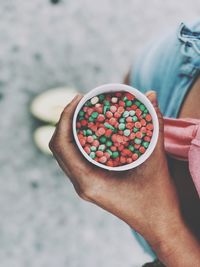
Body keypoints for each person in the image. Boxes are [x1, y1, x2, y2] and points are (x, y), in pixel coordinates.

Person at [49, 20, 200, 266]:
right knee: (138, 79)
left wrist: (168, 233)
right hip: (191, 57)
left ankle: (73, 125)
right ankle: (74, 119)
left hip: (178, 223)